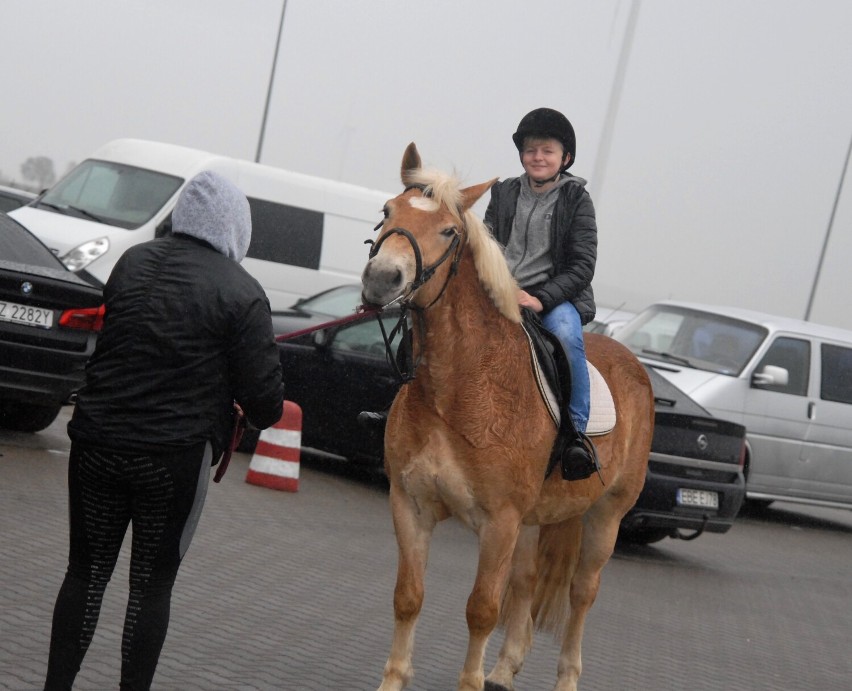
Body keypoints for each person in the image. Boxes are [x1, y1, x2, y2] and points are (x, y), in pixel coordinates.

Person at [44, 171, 286, 690]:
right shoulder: (242, 292)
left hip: (96, 444)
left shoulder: (132, 264)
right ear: (234, 226)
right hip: (170, 461)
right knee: (150, 590)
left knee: (84, 575)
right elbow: (266, 404)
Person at [483, 107, 598, 478]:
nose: (538, 157)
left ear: (564, 158)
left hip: (553, 298)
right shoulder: (502, 194)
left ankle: (576, 435)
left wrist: (539, 299)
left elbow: (582, 266)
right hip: (501, 291)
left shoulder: (577, 200)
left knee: (566, 336)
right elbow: (484, 245)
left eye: (547, 150)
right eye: (531, 150)